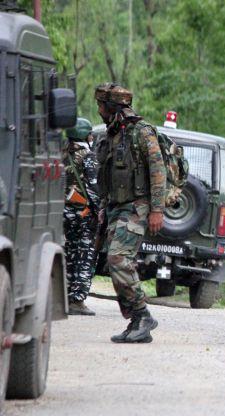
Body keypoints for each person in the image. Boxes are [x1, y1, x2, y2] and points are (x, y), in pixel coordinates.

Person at [95, 82, 166, 343]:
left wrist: (157, 209)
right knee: (111, 263)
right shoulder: (111, 134)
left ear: (111, 106)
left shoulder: (141, 132)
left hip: (137, 207)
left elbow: (159, 172)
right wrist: (104, 209)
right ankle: (136, 322)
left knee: (118, 259)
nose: (99, 110)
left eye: (101, 105)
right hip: (115, 207)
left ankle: (142, 314)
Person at [63, 117, 100, 316]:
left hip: (61, 212)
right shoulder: (88, 156)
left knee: (67, 253)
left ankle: (64, 295)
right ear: (85, 135)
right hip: (82, 213)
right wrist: (99, 211)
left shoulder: (59, 153)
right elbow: (93, 187)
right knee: (84, 254)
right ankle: (77, 300)